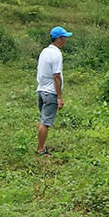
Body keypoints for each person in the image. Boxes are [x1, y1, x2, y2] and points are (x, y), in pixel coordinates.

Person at [36, 25, 72, 156]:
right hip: (50, 92)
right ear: (58, 39)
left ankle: (41, 146)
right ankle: (40, 150)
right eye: (65, 37)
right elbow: (56, 76)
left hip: (40, 90)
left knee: (43, 120)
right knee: (46, 123)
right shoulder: (57, 55)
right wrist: (59, 97)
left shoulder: (44, 51)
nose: (66, 40)